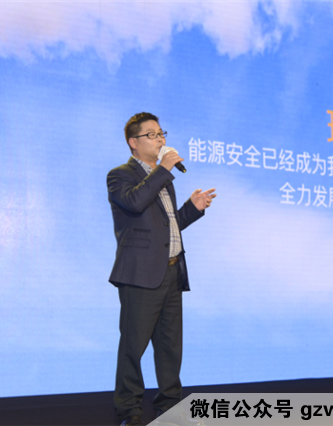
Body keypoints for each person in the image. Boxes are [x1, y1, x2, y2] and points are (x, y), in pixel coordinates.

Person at [107, 112, 216, 426]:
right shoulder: (120, 175)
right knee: (134, 346)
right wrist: (163, 170)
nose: (161, 140)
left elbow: (168, 227)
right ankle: (130, 411)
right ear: (134, 142)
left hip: (171, 272)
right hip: (140, 275)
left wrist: (192, 209)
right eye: (152, 135)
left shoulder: (163, 180)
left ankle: (170, 408)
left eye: (161, 134)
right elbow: (134, 203)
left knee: (170, 347)